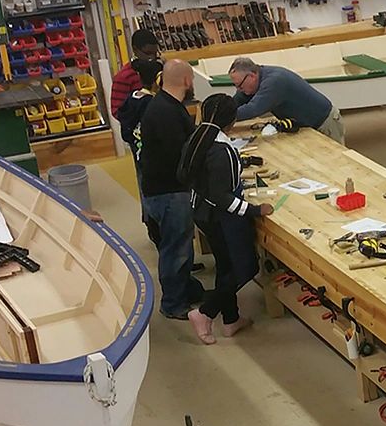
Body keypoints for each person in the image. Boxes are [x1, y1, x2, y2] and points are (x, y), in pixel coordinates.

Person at [177, 94, 274, 344]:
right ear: (231, 121)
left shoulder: (198, 138)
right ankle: (205, 313)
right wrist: (254, 210)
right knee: (246, 266)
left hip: (202, 212)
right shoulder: (221, 151)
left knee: (226, 266)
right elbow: (222, 197)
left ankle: (231, 319)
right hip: (222, 218)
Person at [139, 59, 205, 319]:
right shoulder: (166, 112)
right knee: (175, 249)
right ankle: (173, 304)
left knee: (179, 245)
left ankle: (186, 291)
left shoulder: (164, 105)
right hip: (169, 192)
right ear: (187, 81)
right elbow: (180, 154)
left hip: (162, 190)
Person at [227, 57, 346, 144]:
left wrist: (224, 116)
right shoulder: (256, 78)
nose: (239, 90)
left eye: (240, 86)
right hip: (307, 126)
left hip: (325, 124)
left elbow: (254, 109)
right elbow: (239, 99)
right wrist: (222, 109)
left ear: (252, 76)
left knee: (339, 167)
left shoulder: (274, 81)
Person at [115, 57, 162, 244]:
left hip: (139, 153)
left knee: (147, 193)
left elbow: (126, 129)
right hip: (154, 160)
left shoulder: (132, 99)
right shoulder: (152, 104)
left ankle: (154, 231)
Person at [110, 29, 160, 118]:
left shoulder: (159, 70)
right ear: (135, 50)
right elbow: (117, 111)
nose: (152, 58)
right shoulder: (124, 77)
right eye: (148, 53)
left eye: (155, 53)